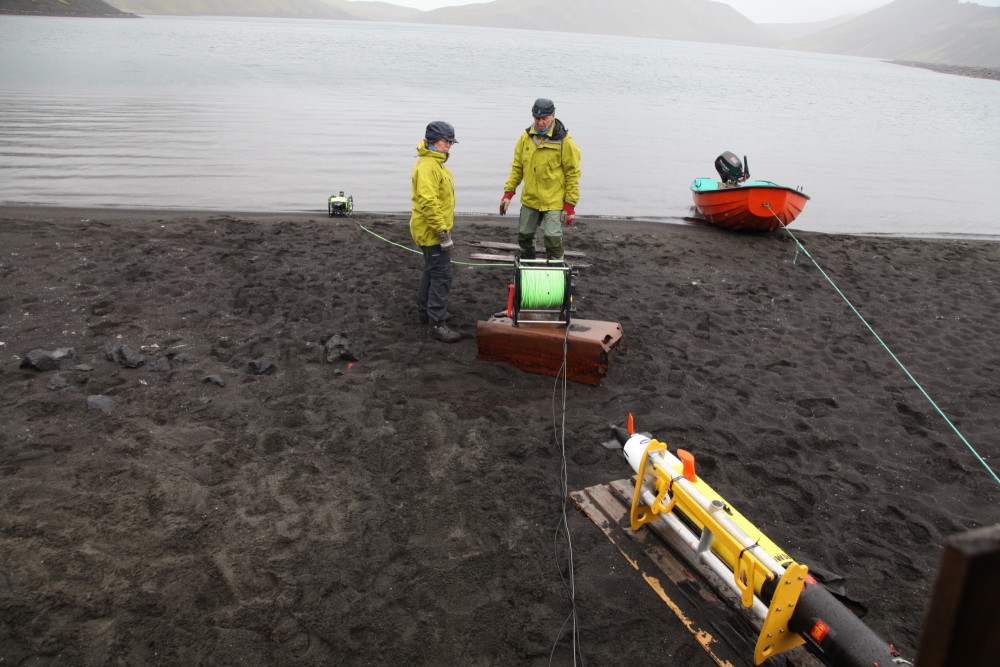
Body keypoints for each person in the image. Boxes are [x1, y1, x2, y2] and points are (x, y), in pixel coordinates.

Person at [499, 98, 581, 260]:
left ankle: (556, 271)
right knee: (525, 236)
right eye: (537, 119)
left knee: (552, 239)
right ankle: (527, 266)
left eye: (544, 118)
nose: (541, 122)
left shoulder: (564, 141)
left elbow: (572, 174)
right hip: (531, 198)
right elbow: (517, 167)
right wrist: (508, 194)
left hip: (554, 200)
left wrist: (570, 206)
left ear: (553, 116)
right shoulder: (525, 138)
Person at [410, 120, 461, 343]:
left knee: (431, 270)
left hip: (430, 229)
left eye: (450, 141)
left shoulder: (435, 163)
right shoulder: (428, 166)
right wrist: (443, 234)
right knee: (442, 275)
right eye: (444, 140)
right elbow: (429, 203)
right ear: (432, 141)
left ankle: (424, 312)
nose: (448, 144)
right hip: (430, 231)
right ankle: (437, 323)